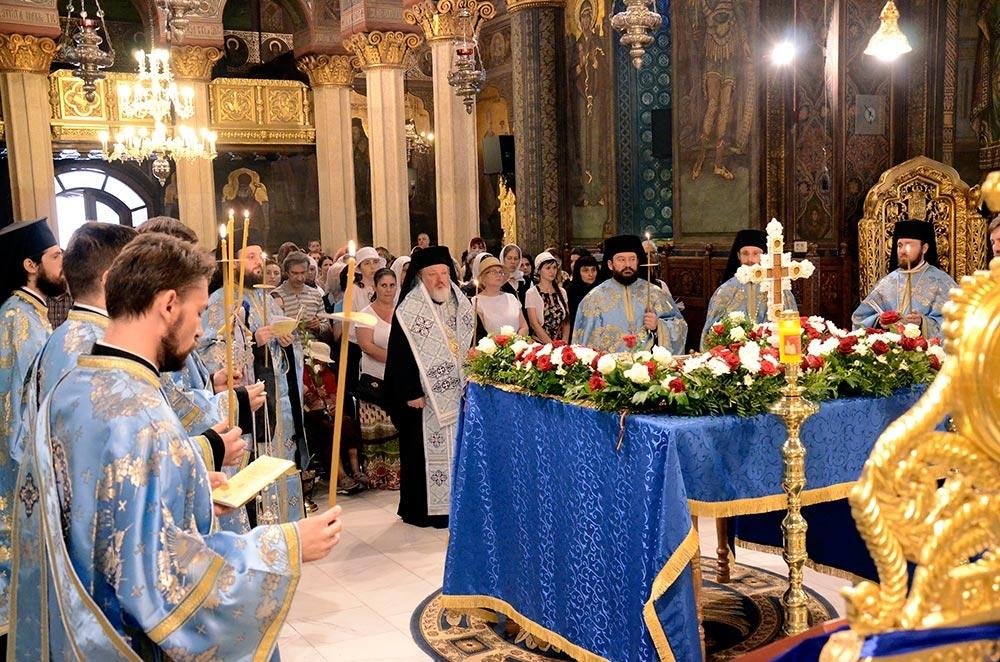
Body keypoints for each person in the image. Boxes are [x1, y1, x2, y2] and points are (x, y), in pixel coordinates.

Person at [9, 232, 343, 659]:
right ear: (168, 305)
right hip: (124, 638)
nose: (202, 328)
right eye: (200, 311)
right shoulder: (137, 413)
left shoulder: (78, 386)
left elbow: (104, 507)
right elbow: (158, 576)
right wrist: (287, 545)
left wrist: (191, 488)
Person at [136, 217, 264, 470]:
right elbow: (174, 404)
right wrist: (234, 402)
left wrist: (212, 382)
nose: (199, 329)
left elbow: (185, 380)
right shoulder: (151, 333)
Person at [200, 227, 307, 528]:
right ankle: (260, 525)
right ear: (231, 263)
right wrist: (251, 341)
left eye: (259, 255)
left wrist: (286, 341)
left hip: (278, 397)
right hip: (251, 403)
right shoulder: (220, 300)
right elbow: (207, 351)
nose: (258, 262)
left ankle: (287, 522)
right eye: (249, 256)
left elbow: (279, 339)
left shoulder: (264, 297)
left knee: (282, 456)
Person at [0, 217, 64, 637]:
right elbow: (21, 403)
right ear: (30, 265)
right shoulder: (18, 319)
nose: (64, 263)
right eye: (55, 256)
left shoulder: (33, 314)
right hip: (24, 462)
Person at [384, 246, 474, 528]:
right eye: (432, 274)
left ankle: (458, 507)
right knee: (422, 455)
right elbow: (400, 355)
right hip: (424, 399)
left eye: (444, 273)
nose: (440, 280)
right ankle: (424, 511)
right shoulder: (409, 309)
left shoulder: (462, 303)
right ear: (420, 277)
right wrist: (410, 391)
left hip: (459, 394)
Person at [573, 234, 688, 354]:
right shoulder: (594, 298)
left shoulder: (654, 293)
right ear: (610, 264)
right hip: (610, 368)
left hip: (648, 367)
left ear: (638, 261)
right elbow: (584, 343)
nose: (627, 264)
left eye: (632, 259)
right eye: (621, 259)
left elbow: (680, 326)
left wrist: (658, 326)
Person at [852, 220, 957, 340]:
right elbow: (859, 319)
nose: (902, 251)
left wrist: (923, 323)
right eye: (900, 245)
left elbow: (958, 323)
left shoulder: (941, 281)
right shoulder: (887, 282)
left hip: (927, 353)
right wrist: (879, 321)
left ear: (924, 248)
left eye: (909, 244)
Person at [701, 229, 797, 348]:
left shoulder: (780, 290)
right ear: (738, 256)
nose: (750, 260)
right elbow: (710, 334)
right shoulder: (725, 291)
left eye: (756, 254)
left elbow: (791, 330)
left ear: (765, 256)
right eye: (745, 253)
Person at [355, 268, 401, 489]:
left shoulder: (402, 311)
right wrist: (396, 361)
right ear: (374, 287)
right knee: (379, 428)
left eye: (392, 285)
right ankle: (379, 475)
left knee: (397, 427)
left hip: (399, 379)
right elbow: (367, 345)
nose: (388, 290)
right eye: (384, 285)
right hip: (375, 377)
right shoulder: (366, 313)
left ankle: (399, 475)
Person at [274, 251, 330, 340]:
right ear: (287, 272)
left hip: (313, 349)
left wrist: (318, 326)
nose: (300, 278)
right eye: (295, 273)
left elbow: (326, 325)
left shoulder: (315, 294)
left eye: (303, 273)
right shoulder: (275, 295)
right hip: (288, 350)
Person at [473, 256, 528, 339]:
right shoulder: (477, 301)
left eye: (500, 272)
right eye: (494, 272)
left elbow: (524, 326)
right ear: (484, 277)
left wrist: (517, 341)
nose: (498, 275)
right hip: (492, 348)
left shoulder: (511, 297)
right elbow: (480, 333)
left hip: (517, 346)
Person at [525, 251, 570, 343]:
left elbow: (566, 321)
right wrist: (550, 345)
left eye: (554, 268)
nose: (552, 271)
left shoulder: (562, 292)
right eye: (548, 268)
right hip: (540, 344)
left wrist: (564, 343)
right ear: (539, 270)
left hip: (560, 344)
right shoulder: (532, 293)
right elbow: (534, 324)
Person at [567, 253, 600, 337]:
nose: (590, 274)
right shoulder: (570, 291)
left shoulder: (601, 290)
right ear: (578, 272)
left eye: (593, 270)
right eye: (585, 270)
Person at [350, 246, 386, 312]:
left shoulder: (386, 286)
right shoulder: (353, 290)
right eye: (367, 263)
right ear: (359, 267)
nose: (372, 267)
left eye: (375, 262)